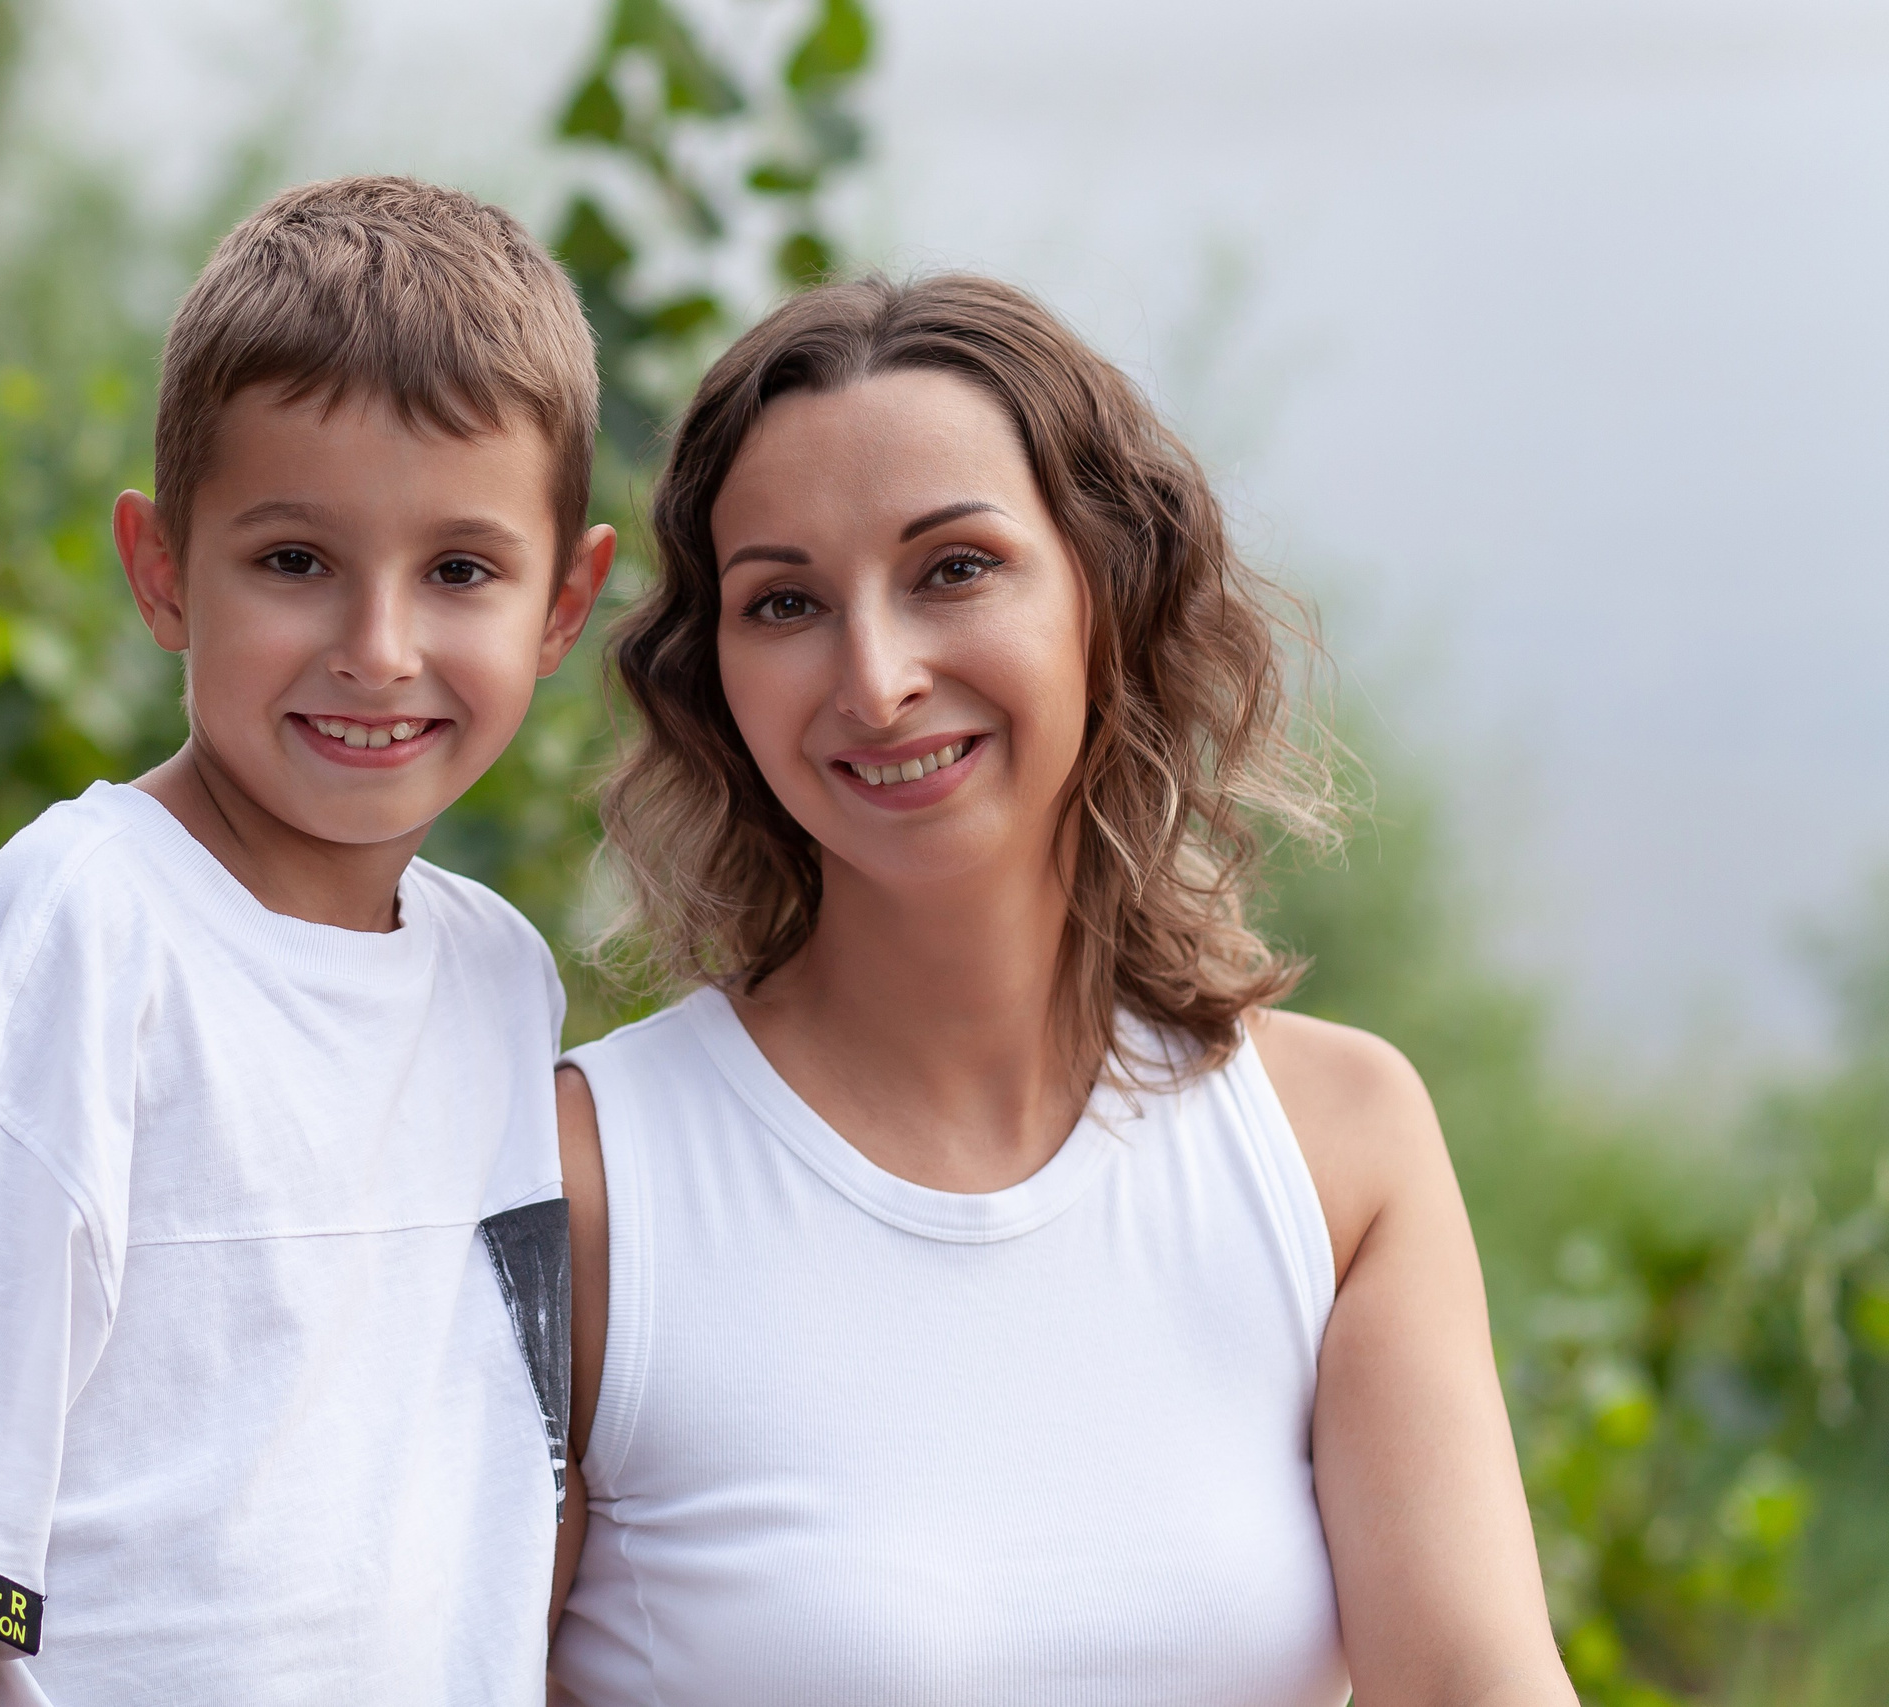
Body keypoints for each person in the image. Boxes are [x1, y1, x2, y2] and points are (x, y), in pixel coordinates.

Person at [546, 275, 1577, 1706]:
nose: (877, 677)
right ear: (714, 675)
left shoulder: (1339, 1150)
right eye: (784, 602)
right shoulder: (588, 1182)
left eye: (954, 569)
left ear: (1107, 586)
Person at [0, 176, 614, 1707]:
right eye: (294, 561)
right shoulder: (75, 942)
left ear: (566, 607)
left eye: (462, 572)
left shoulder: (500, 978)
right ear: (162, 569)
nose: (378, 647)